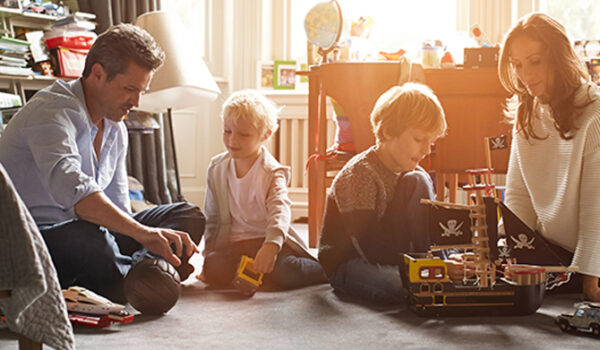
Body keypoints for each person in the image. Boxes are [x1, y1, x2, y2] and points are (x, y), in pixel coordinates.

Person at [0, 23, 205, 305]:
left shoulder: (115, 128)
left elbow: (119, 210)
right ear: (97, 74)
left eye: (141, 91)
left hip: (89, 228)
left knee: (187, 217)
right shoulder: (51, 112)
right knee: (93, 241)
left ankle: (137, 276)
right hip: (32, 238)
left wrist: (146, 235)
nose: (136, 101)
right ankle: (147, 274)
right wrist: (145, 237)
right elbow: (78, 196)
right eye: (130, 89)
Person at [498, 13, 600, 301]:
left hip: (591, 252)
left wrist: (591, 277)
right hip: (552, 250)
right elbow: (518, 195)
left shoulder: (595, 114)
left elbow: (597, 209)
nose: (526, 75)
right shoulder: (527, 113)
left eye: (535, 61)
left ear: (558, 57)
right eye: (517, 65)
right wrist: (507, 248)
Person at [318, 82, 449, 304]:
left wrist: (441, 263)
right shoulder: (359, 175)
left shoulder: (413, 172)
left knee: (419, 179)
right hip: (351, 261)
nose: (426, 151)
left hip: (396, 253)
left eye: (431, 143)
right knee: (395, 283)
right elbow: (371, 249)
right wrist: (423, 269)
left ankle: (430, 270)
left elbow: (428, 232)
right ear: (388, 132)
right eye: (419, 140)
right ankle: (424, 273)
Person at [201, 90, 326, 290]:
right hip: (235, 247)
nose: (233, 140)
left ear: (265, 135)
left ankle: (326, 268)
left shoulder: (272, 172)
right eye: (227, 131)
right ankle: (260, 275)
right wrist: (209, 253)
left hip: (269, 242)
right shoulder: (217, 168)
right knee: (213, 266)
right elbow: (212, 216)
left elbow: (280, 212)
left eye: (243, 134)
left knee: (287, 272)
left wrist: (271, 246)